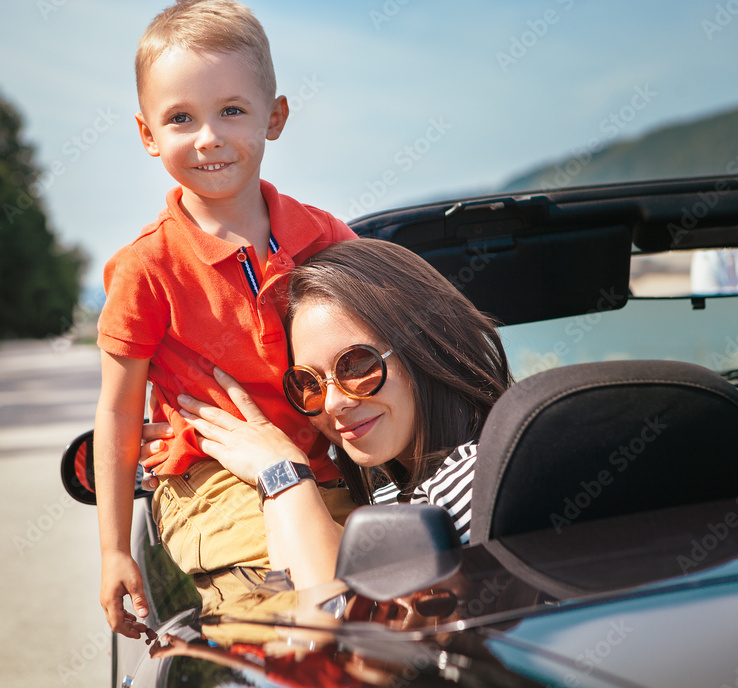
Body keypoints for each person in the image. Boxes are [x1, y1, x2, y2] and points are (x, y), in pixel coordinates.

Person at [93, 0, 357, 638]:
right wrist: (112, 551)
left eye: (231, 110)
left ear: (276, 117)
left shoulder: (325, 237)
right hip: (214, 483)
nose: (208, 136)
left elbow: (394, 346)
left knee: (383, 586)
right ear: (147, 134)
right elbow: (120, 411)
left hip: (338, 465)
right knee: (291, 616)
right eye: (181, 118)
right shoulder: (147, 267)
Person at [175, 238, 513, 589]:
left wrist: (280, 475)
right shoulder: (389, 498)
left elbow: (326, 614)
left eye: (356, 364)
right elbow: (290, 591)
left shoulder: (479, 480)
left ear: (425, 345)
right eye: (309, 382)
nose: (334, 402)